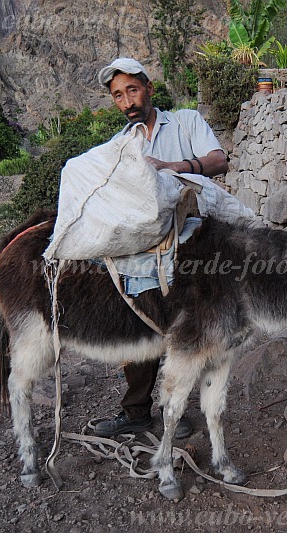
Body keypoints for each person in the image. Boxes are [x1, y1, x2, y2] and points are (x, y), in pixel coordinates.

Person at [93, 57, 229, 439]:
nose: (126, 102)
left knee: (186, 322)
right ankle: (136, 411)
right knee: (141, 317)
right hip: (146, 244)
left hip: (194, 237)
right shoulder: (119, 146)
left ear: (149, 88)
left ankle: (177, 406)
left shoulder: (185, 121)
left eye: (132, 90)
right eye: (118, 96)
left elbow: (220, 161)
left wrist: (171, 167)